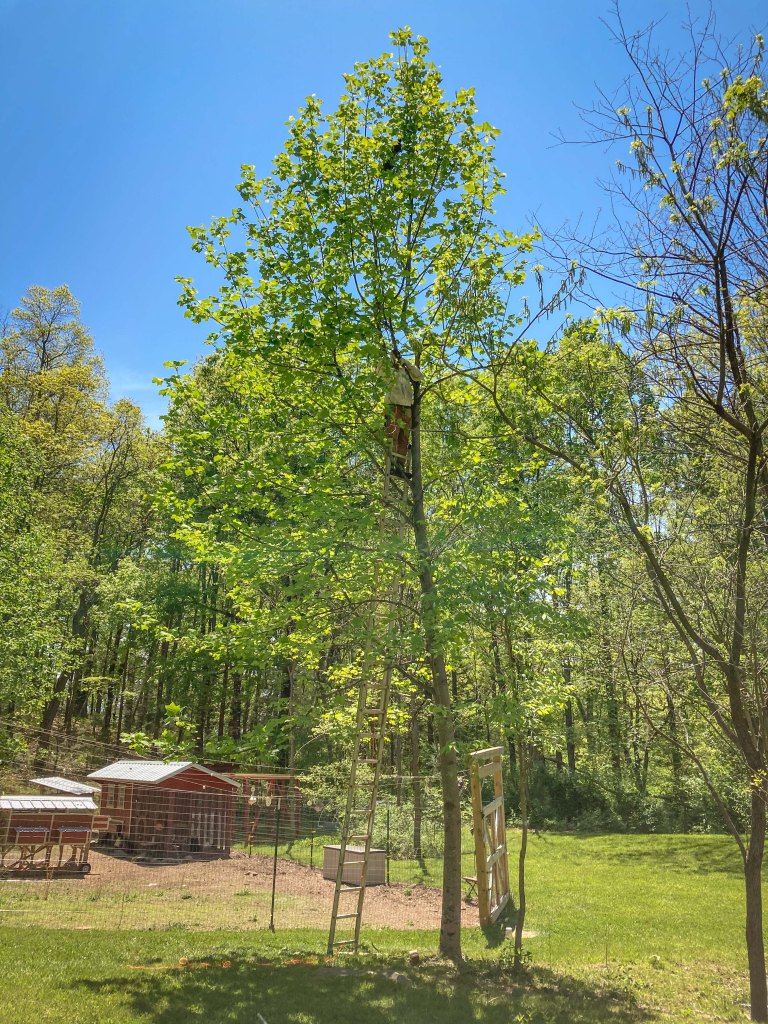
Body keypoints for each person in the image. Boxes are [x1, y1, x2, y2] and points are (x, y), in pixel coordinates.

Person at [384, 352, 422, 478]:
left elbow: (418, 376)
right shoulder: (387, 371)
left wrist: (403, 361)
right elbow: (379, 371)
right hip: (393, 406)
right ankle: (391, 465)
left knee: (404, 439)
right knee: (392, 437)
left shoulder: (404, 371)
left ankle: (399, 466)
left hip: (406, 408)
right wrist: (390, 360)